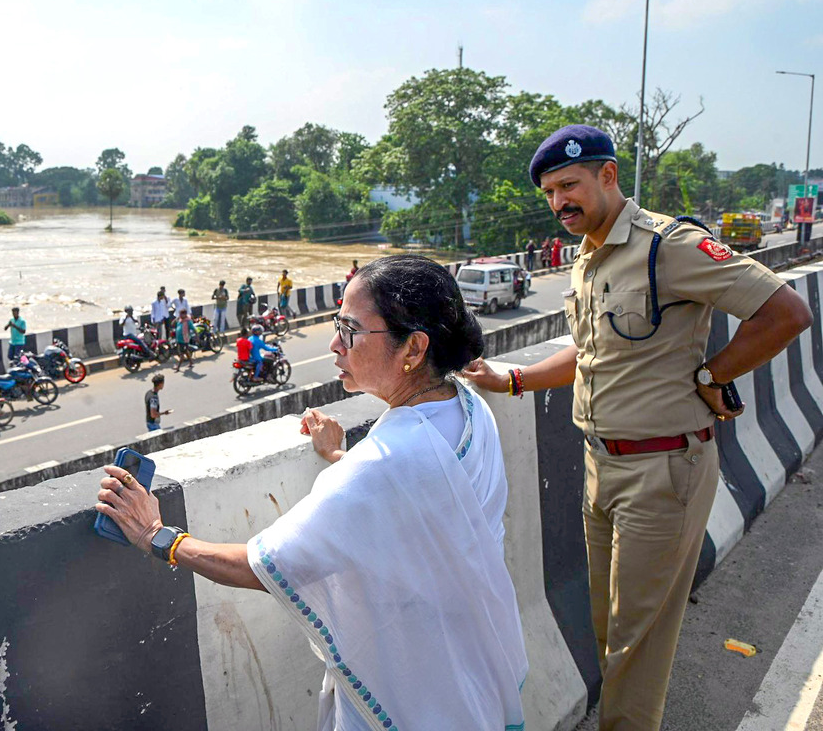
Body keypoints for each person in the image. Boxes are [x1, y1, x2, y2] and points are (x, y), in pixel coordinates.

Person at [463, 124, 812, 731]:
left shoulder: (667, 246)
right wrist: (512, 381)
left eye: (569, 185)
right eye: (549, 192)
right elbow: (590, 354)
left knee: (636, 641)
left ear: (608, 176)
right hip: (603, 466)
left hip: (664, 468)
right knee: (609, 626)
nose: (559, 202)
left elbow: (786, 312)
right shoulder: (587, 259)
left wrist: (712, 376)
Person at [95, 254, 528, 730]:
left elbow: (263, 564)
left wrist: (158, 535)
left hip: (409, 690)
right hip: (472, 670)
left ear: (413, 348)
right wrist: (340, 457)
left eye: (350, 329)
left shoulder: (383, 464)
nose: (334, 344)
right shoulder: (468, 409)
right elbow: (416, 501)